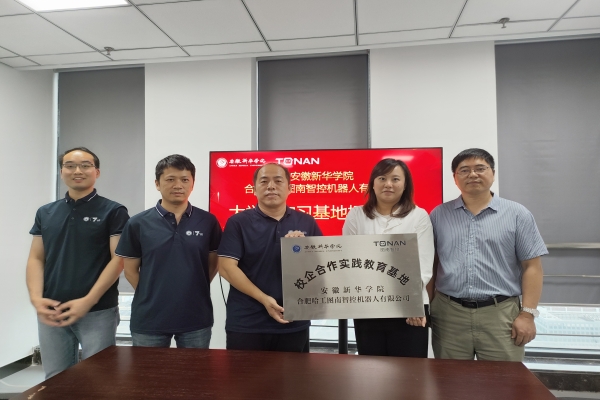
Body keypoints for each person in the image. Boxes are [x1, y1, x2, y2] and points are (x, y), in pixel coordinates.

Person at [429, 148, 548, 361]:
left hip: (500, 313)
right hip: (449, 315)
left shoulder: (517, 214)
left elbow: (532, 267)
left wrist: (528, 314)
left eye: (480, 168)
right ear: (455, 178)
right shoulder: (439, 215)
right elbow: (432, 264)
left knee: (504, 379)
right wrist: (426, 307)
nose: (473, 174)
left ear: (492, 173)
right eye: (464, 170)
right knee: (451, 379)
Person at [26, 147, 129, 379]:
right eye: (70, 166)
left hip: (98, 311)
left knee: (99, 380)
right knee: (55, 379)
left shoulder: (113, 211)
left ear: (97, 172)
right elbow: (36, 258)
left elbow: (119, 260)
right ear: (61, 171)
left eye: (85, 165)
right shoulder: (46, 212)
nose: (77, 171)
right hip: (52, 309)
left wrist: (88, 300)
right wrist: (36, 299)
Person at [115, 154, 221, 348]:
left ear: (192, 184)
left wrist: (192, 287)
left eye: (184, 180)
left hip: (195, 316)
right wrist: (153, 293)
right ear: (157, 183)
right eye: (170, 179)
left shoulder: (208, 221)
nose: (178, 185)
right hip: (149, 318)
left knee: (194, 368)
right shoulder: (138, 223)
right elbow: (130, 270)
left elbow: (213, 264)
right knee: (149, 369)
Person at [218, 163, 322, 352]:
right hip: (247, 322)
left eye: (278, 181)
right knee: (245, 372)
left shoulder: (306, 222)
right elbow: (226, 267)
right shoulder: (238, 222)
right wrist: (264, 299)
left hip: (294, 319)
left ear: (290, 188)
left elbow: (321, 267)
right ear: (254, 189)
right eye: (264, 181)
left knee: (293, 372)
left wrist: (302, 251)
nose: (271, 186)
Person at [342, 158, 434, 357]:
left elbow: (424, 264)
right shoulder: (356, 215)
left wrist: (412, 303)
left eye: (395, 179)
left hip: (409, 308)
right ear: (373, 183)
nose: (388, 184)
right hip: (368, 303)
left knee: (410, 368)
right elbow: (349, 260)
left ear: (405, 184)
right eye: (382, 178)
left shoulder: (418, 216)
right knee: (372, 367)